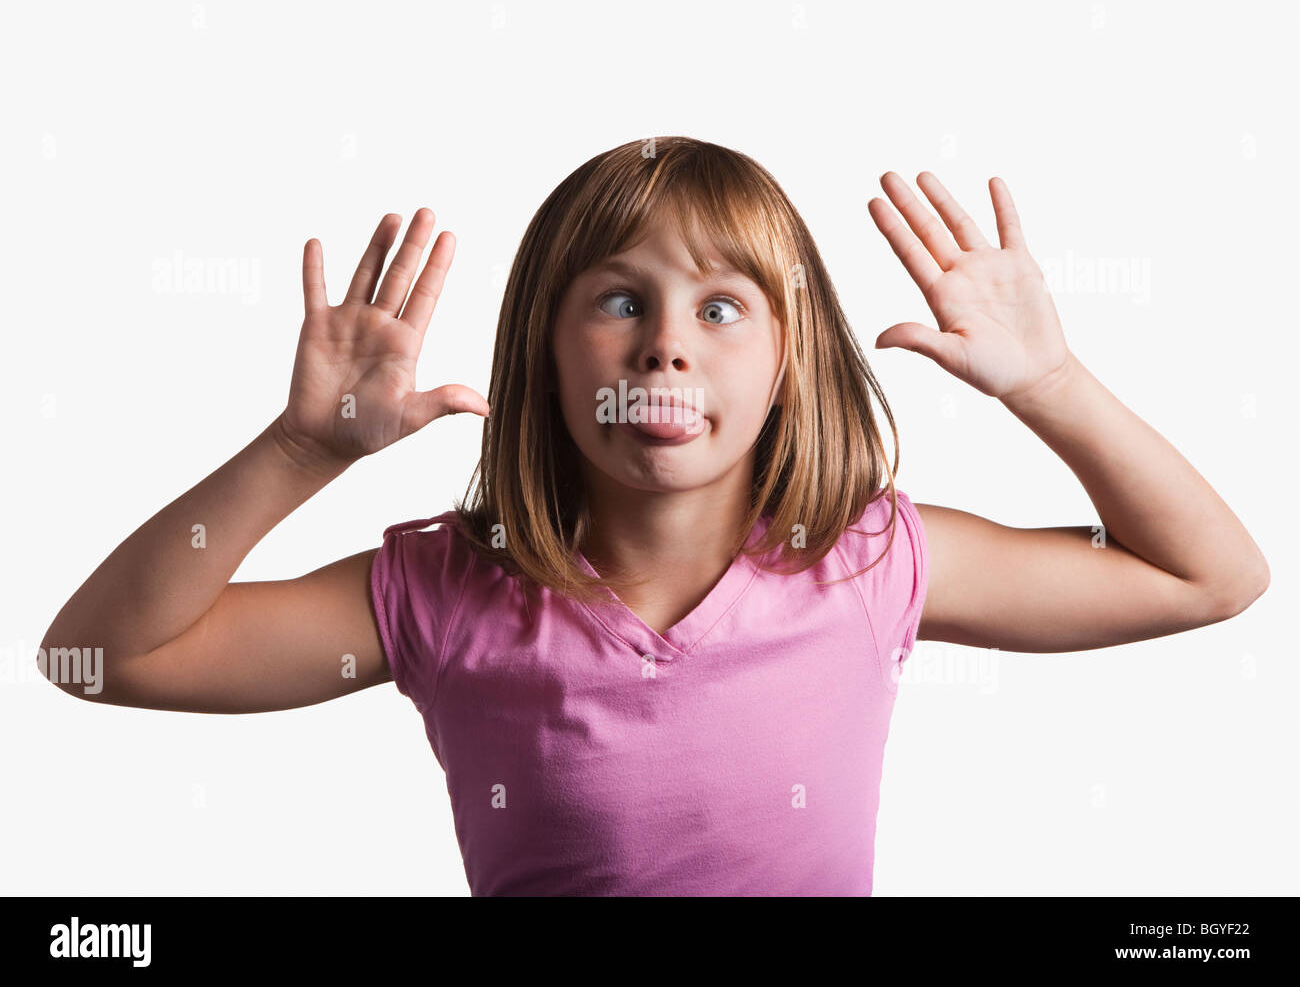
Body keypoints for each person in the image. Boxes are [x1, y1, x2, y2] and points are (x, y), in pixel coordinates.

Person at [40, 136, 1269, 896]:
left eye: (722, 308)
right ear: (546, 350)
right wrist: (298, 451)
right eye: (619, 301)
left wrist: (1051, 385)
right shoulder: (441, 595)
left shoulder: (877, 563)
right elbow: (99, 657)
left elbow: (1207, 575)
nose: (669, 346)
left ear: (789, 362)